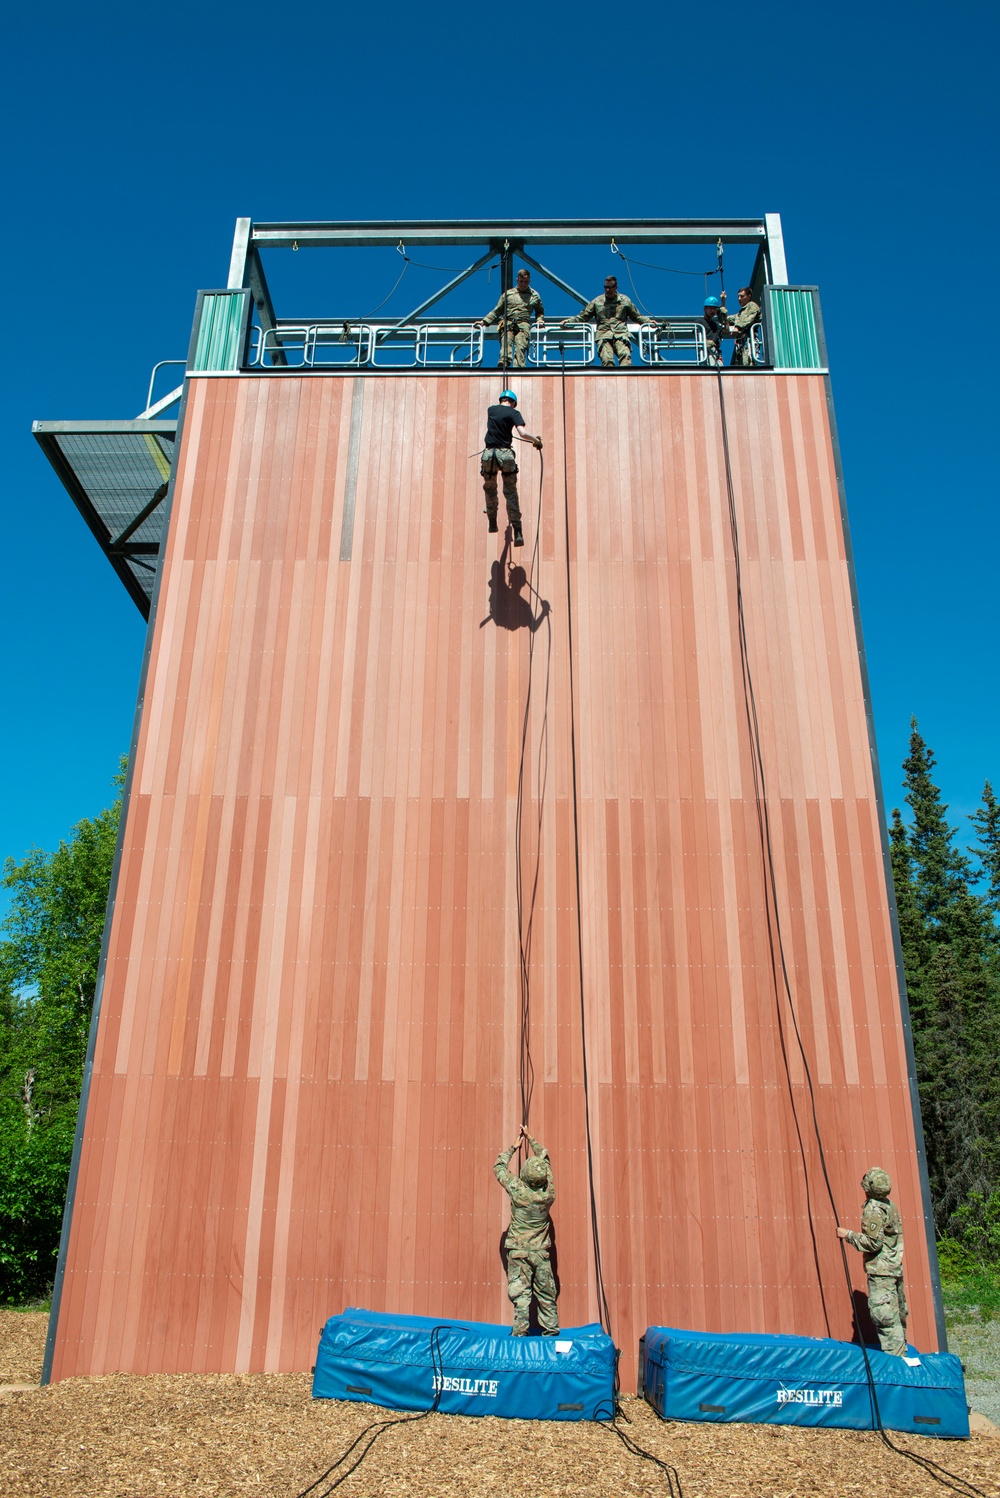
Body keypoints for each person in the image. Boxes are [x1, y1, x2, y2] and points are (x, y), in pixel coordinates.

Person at [494, 1124, 558, 1336]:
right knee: (546, 1294)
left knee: (521, 1296)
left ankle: (520, 1336)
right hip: (540, 1253)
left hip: (519, 1252)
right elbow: (545, 1158)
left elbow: (499, 1168)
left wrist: (514, 1147)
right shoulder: (548, 1194)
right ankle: (551, 1333)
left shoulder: (518, 1190)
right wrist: (532, 1138)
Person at [837, 1167, 908, 1356]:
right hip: (893, 1268)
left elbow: (873, 1243)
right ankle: (901, 1354)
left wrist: (848, 1235)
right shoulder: (889, 1205)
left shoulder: (874, 1209)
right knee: (896, 1315)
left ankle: (896, 1363)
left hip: (881, 1272)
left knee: (885, 1317)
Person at [480, 390, 542, 547]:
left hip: (489, 455)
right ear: (513, 402)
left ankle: (492, 521)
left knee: (490, 488)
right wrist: (536, 440)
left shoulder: (491, 410)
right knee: (510, 493)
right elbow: (522, 433)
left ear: (502, 399)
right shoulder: (514, 412)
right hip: (505, 455)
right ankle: (517, 530)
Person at [562, 275, 656, 367]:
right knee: (607, 361)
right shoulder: (597, 301)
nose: (608, 290)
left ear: (616, 287)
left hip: (621, 334)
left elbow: (636, 316)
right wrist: (569, 322)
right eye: (606, 287)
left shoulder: (625, 301)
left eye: (610, 287)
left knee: (625, 358)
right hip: (604, 335)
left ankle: (625, 380)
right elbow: (583, 316)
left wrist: (648, 322)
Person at [476, 268, 544, 369]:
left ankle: (519, 368)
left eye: (525, 282)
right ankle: (504, 363)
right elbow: (497, 310)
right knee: (506, 343)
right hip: (508, 322)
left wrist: (539, 320)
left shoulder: (534, 295)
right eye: (521, 281)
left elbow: (540, 311)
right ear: (517, 280)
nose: (523, 284)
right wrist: (484, 322)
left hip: (523, 323)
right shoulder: (508, 294)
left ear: (529, 281)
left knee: (521, 346)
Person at [726, 286, 761, 367]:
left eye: (742, 296)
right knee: (741, 365)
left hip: (749, 341)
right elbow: (728, 318)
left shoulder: (752, 306)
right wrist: (723, 302)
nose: (739, 298)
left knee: (749, 364)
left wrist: (737, 327)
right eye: (738, 296)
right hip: (742, 344)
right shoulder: (740, 314)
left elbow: (749, 318)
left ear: (749, 296)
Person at [703, 294, 728, 367]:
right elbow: (697, 335)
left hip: (716, 354)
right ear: (705, 309)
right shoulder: (700, 322)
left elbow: (726, 331)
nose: (713, 311)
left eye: (714, 308)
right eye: (710, 308)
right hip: (707, 353)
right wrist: (706, 342)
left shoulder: (715, 325)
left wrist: (725, 317)